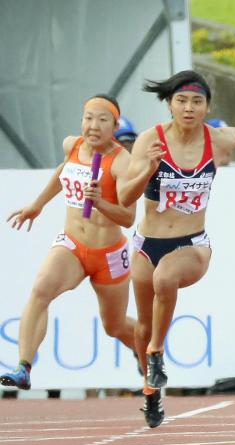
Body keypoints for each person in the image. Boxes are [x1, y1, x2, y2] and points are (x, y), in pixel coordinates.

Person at [120, 70, 235, 428]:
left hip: (191, 245)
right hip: (147, 243)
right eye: (181, 101)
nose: (189, 108)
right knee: (141, 327)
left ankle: (157, 354)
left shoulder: (218, 139)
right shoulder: (151, 140)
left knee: (166, 280)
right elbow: (123, 198)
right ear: (170, 104)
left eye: (197, 101)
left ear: (208, 106)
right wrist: (148, 168)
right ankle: (151, 393)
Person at [1, 94, 137, 390]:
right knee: (41, 289)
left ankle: (146, 349)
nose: (93, 125)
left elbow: (128, 218)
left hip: (109, 254)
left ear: (114, 125)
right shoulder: (72, 145)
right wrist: (37, 204)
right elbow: (63, 171)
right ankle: (24, 366)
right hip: (73, 245)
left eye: (102, 120)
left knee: (113, 325)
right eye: (88, 118)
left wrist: (100, 202)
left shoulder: (122, 163)